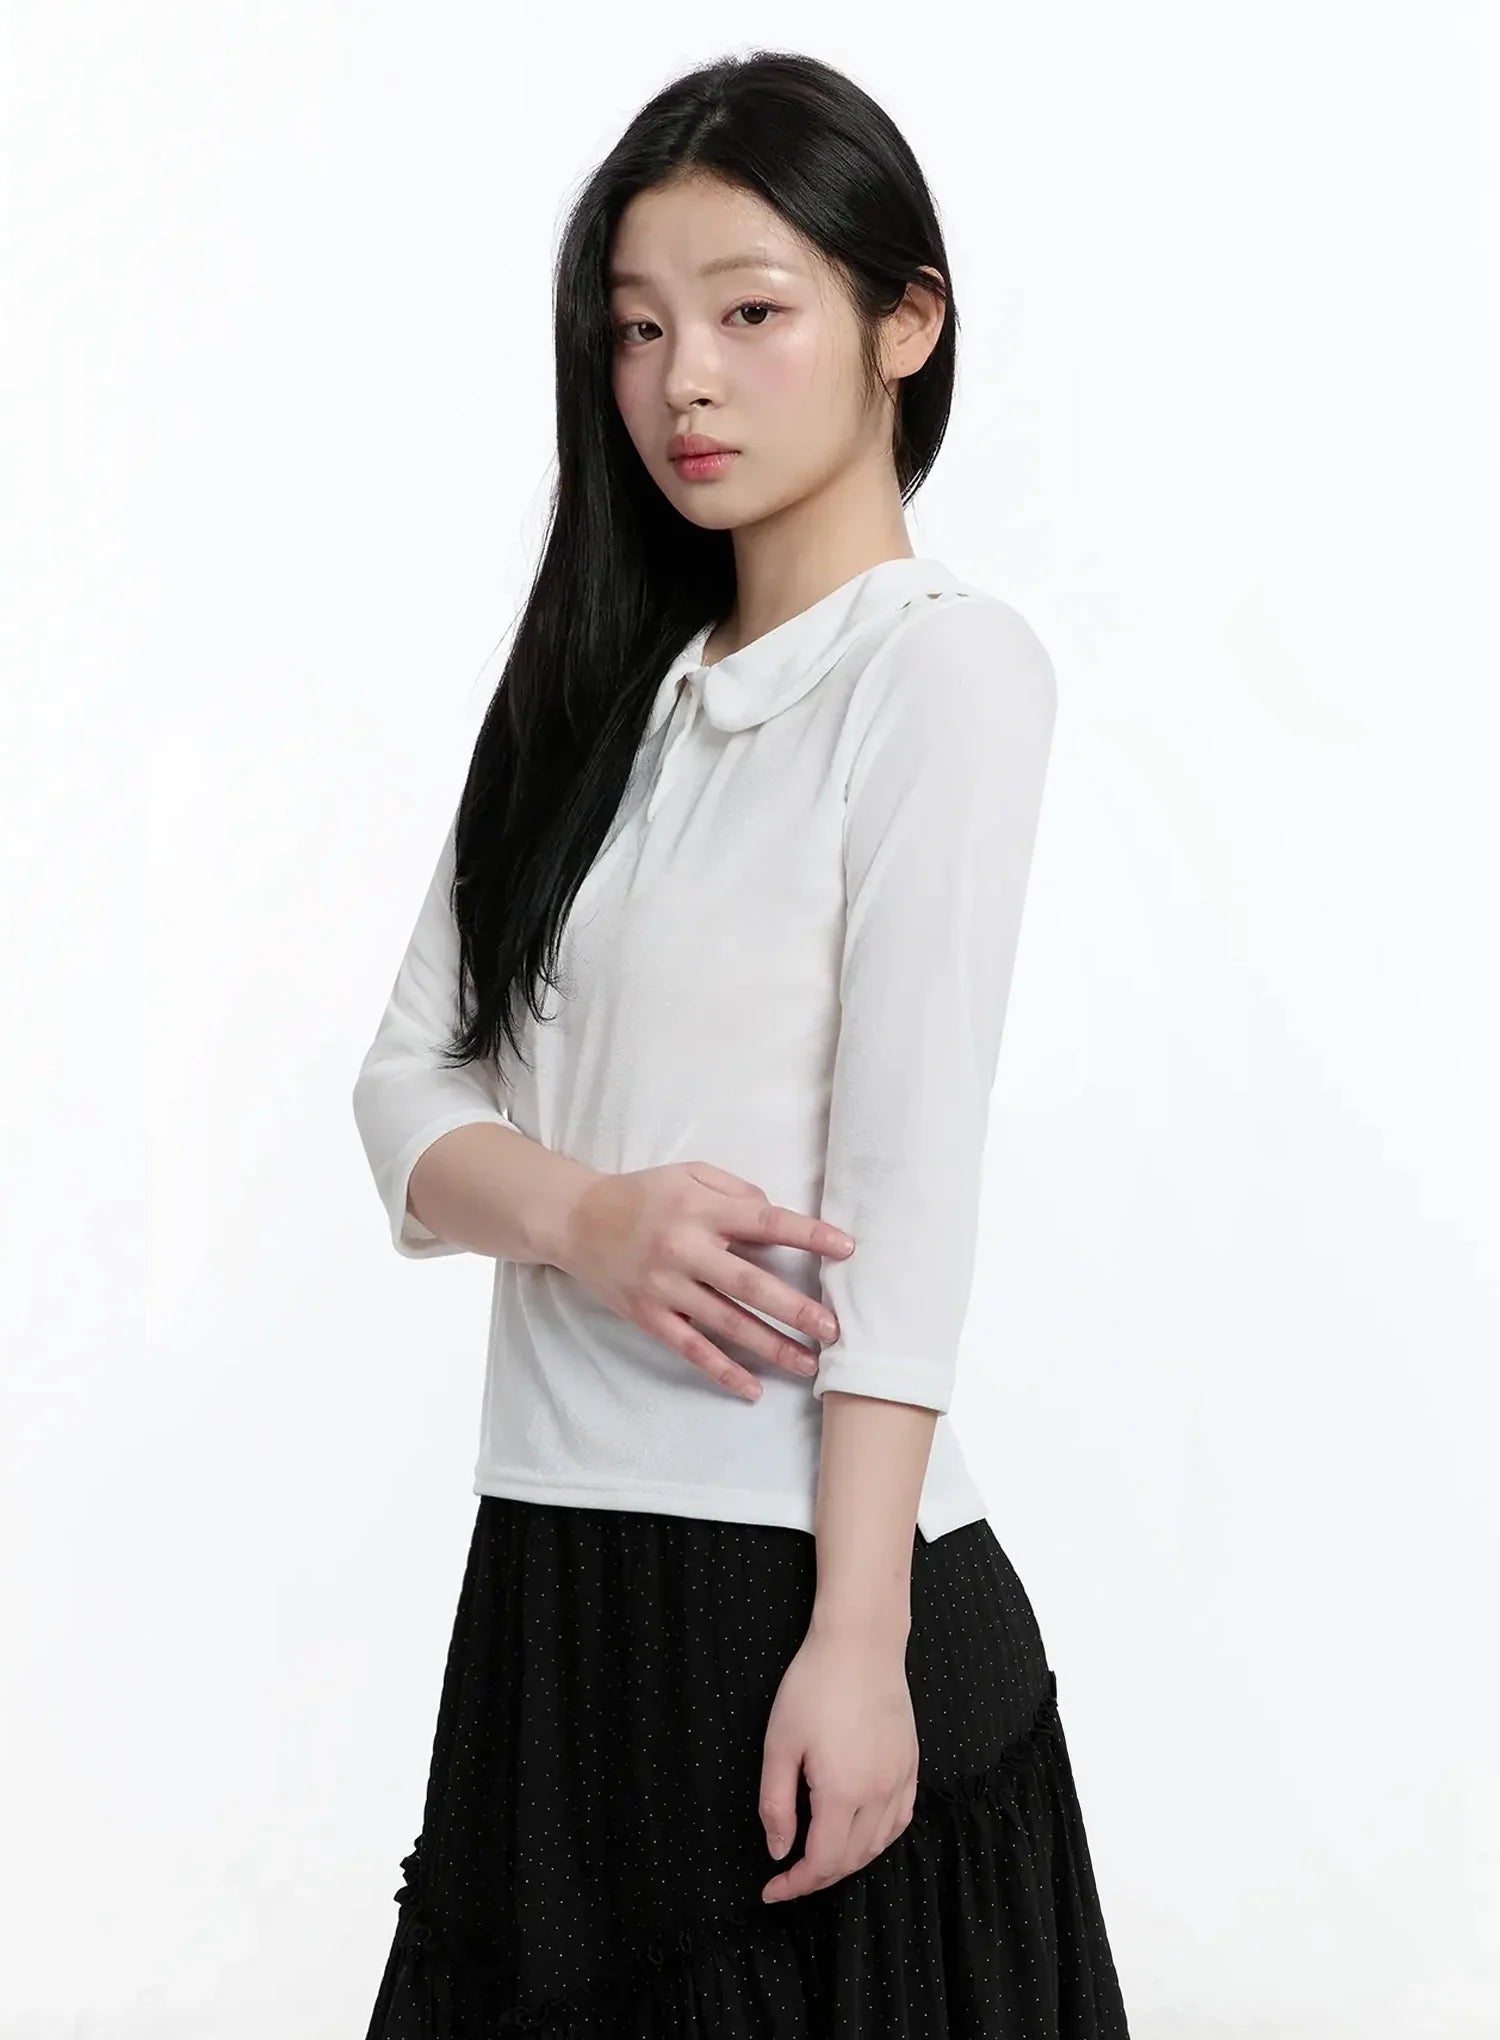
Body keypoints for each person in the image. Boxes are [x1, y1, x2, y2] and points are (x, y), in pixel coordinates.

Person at [353, 48, 1131, 2040]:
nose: (681, 379)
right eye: (637, 328)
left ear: (905, 322)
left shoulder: (941, 673)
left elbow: (905, 1184)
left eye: (750, 312)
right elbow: (406, 1087)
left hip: (788, 1577)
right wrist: (588, 1220)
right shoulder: (590, 696)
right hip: (550, 1582)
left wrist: (859, 1639)